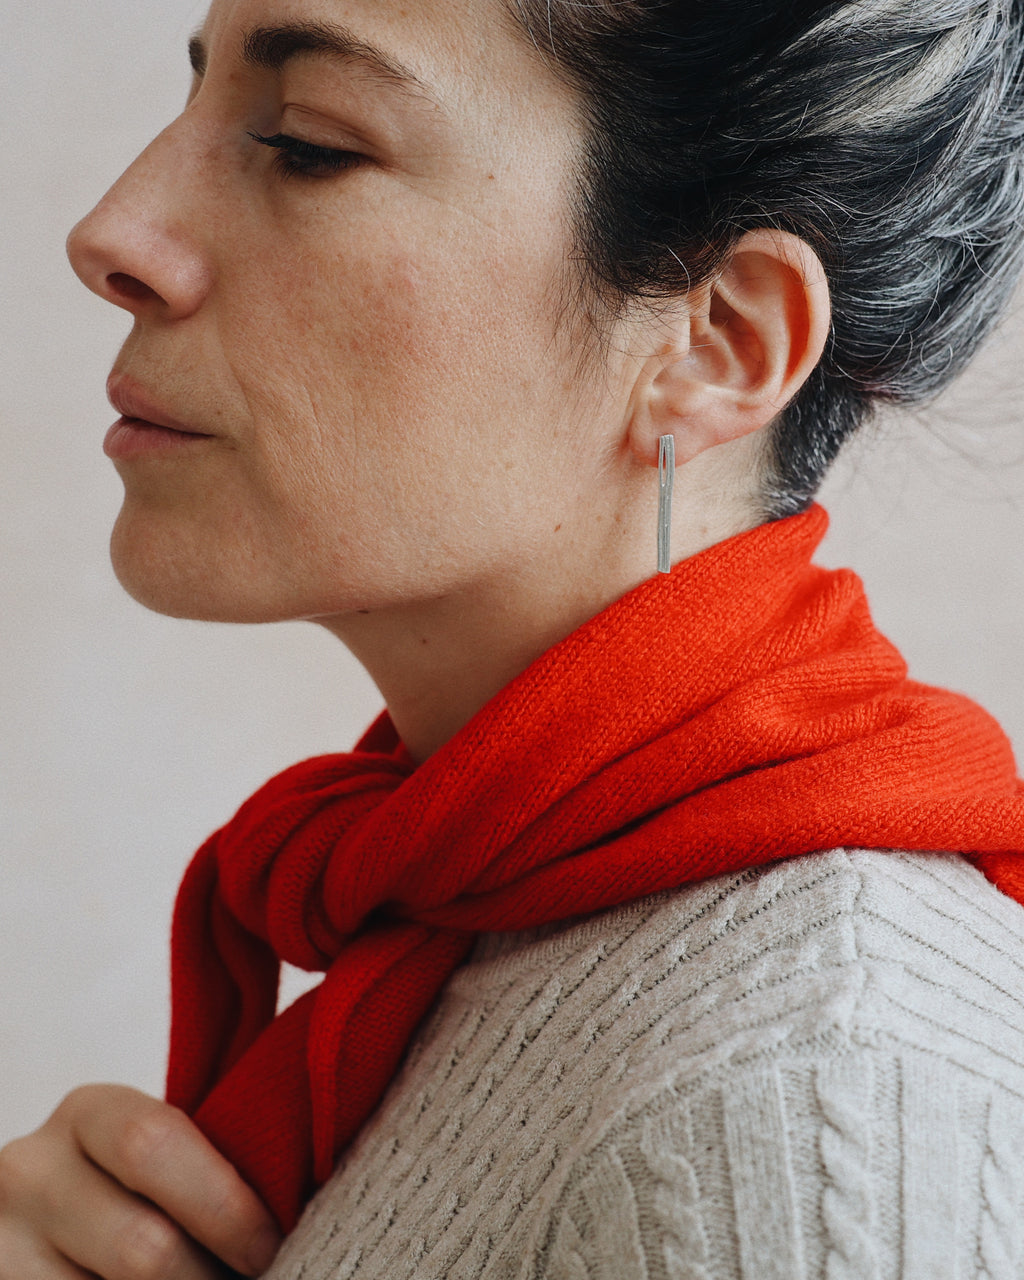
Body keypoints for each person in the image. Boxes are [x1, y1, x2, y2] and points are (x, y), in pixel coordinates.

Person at [4, 0, 1024, 1275]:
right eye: (195, 97)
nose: (113, 233)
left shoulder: (814, 1108)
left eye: (308, 143)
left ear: (716, 342)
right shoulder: (474, 927)